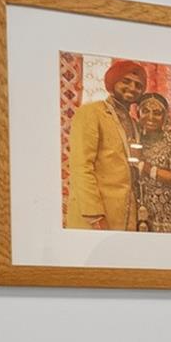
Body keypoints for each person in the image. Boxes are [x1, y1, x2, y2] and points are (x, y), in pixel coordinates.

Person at [63, 59, 146, 229]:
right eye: (126, 81)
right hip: (96, 217)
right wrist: (94, 216)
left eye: (138, 85)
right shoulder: (91, 112)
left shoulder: (133, 122)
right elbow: (81, 166)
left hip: (125, 216)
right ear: (113, 82)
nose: (132, 88)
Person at [132, 93, 171, 233]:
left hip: (168, 216)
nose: (150, 117)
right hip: (140, 214)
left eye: (157, 113)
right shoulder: (135, 140)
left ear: (165, 117)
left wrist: (143, 165)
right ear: (138, 113)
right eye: (145, 111)